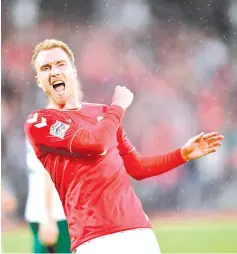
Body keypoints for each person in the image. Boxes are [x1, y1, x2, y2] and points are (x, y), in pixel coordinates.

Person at [24, 39, 224, 254]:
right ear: (38, 80)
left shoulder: (103, 113)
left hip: (138, 232)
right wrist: (118, 107)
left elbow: (137, 167)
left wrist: (182, 154)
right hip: (94, 239)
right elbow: (94, 144)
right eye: (46, 68)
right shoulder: (40, 122)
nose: (54, 72)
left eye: (60, 64)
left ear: (73, 70)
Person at [25, 139, 70, 253]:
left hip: (55, 213)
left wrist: (48, 216)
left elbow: (49, 172)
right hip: (44, 212)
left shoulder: (48, 127)